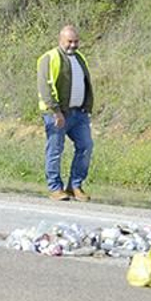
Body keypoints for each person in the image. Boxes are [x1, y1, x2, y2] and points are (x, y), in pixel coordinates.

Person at [38, 25, 94, 202]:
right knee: (55, 150)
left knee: (86, 146)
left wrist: (87, 106)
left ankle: (75, 186)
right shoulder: (50, 58)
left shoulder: (79, 58)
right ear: (60, 40)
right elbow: (45, 87)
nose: (73, 45)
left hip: (79, 113)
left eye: (76, 41)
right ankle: (55, 188)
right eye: (69, 41)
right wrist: (56, 111)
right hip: (57, 114)